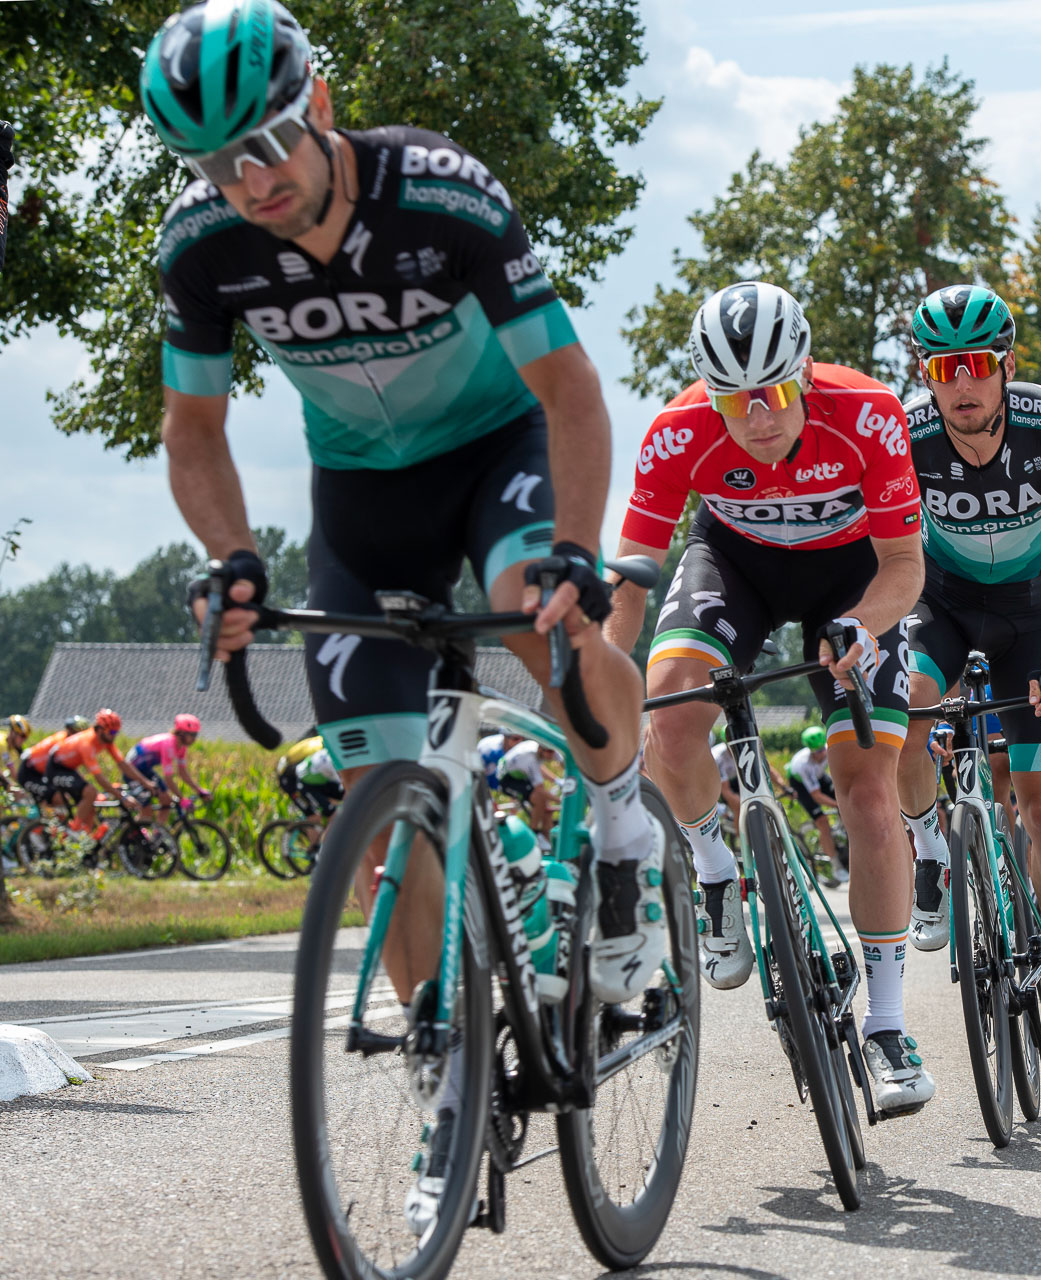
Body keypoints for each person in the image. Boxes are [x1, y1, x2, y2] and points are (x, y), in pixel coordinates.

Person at [142, 0, 654, 1232]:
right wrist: (232, 557)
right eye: (213, 164)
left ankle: (626, 829)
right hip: (363, 501)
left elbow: (571, 392)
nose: (247, 182)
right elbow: (193, 428)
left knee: (537, 617)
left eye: (266, 144)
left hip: (498, 453)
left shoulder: (440, 194)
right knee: (380, 792)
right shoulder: (202, 247)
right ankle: (451, 1083)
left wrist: (576, 550)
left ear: (317, 104)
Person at [602, 282, 930, 1113]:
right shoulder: (677, 430)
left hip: (852, 578)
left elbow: (904, 566)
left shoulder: (868, 413)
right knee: (670, 717)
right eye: (732, 399)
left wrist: (861, 626)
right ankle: (715, 870)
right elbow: (630, 580)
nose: (755, 417)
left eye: (774, 393)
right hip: (735, 565)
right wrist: (601, 671)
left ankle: (888, 1024)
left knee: (868, 791)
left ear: (806, 372)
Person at [894, 284, 1041, 1088]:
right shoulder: (904, 436)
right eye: (943, 368)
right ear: (925, 374)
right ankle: (927, 848)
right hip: (941, 604)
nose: (962, 383)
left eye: (977, 365)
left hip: (1033, 615)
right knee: (904, 712)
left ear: (1006, 366)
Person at [41, 711, 148, 837]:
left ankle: (88, 839)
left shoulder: (106, 741)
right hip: (55, 768)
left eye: (116, 732)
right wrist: (122, 798)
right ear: (101, 730)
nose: (114, 736)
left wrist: (146, 783)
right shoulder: (87, 743)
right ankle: (74, 831)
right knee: (90, 792)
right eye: (112, 732)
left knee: (91, 807)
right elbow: (98, 778)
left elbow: (123, 764)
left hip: (69, 769)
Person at [783, 725, 843, 883]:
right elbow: (816, 796)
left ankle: (842, 833)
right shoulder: (803, 764)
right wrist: (838, 805)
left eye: (822, 749)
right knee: (822, 822)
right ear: (810, 751)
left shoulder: (829, 749)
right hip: (800, 784)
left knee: (845, 799)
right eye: (817, 752)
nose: (822, 754)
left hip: (819, 775)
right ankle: (836, 866)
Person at [128, 714, 215, 806]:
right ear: (181, 733)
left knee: (166, 801)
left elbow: (182, 773)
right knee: (146, 808)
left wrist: (199, 790)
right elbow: (168, 778)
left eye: (196, 734)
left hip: (145, 770)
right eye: (192, 735)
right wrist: (182, 799)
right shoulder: (169, 745)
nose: (194, 739)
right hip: (132, 770)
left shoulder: (182, 747)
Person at [277, 734, 343, 816]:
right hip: (289, 777)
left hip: (305, 771)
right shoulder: (320, 751)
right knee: (313, 813)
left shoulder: (322, 743)